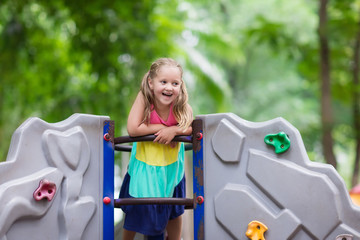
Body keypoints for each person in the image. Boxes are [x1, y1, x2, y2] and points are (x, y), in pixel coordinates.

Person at [119, 58, 193, 240]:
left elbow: (191, 127)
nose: (169, 88)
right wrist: (161, 129)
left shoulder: (180, 102)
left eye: (175, 83)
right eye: (164, 82)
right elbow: (133, 128)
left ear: (180, 85)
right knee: (137, 208)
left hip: (171, 168)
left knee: (174, 209)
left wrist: (174, 130)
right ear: (151, 83)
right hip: (145, 167)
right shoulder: (145, 98)